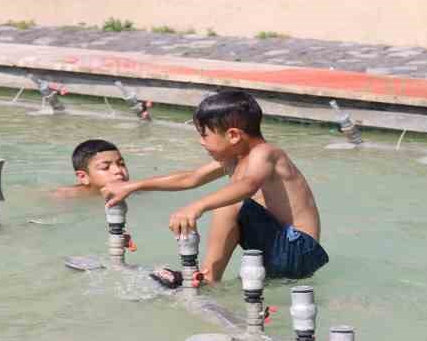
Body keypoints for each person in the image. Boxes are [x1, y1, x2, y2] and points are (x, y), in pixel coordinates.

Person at [102, 91, 328, 283]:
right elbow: (190, 178)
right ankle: (206, 277)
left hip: (299, 251)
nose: (201, 141)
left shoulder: (267, 153)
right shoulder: (235, 158)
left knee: (233, 202)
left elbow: (247, 186)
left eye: (205, 135)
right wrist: (134, 185)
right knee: (231, 200)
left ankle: (208, 279)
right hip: (276, 251)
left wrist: (197, 206)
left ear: (232, 135)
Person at [52, 139, 129, 198]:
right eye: (105, 167)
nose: (118, 170)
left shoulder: (133, 189)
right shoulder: (65, 196)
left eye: (121, 164)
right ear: (83, 177)